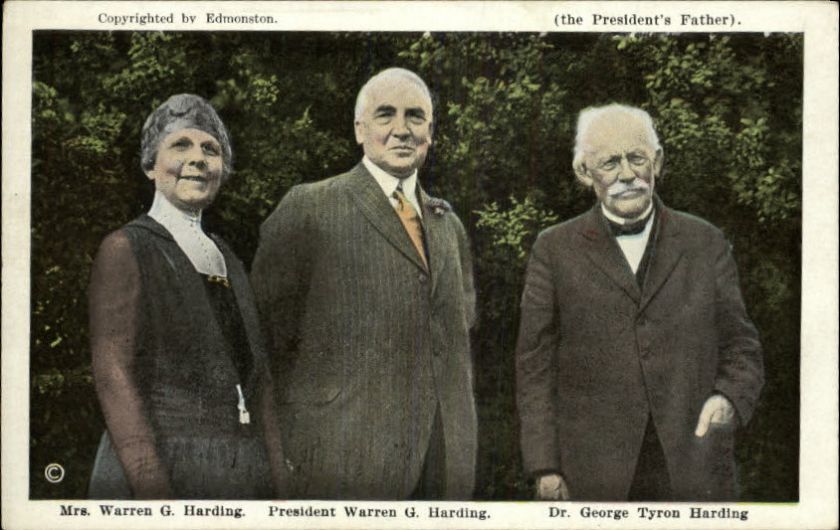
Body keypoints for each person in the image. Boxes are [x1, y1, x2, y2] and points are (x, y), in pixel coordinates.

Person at [515, 103, 764, 501]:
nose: (627, 175)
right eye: (611, 162)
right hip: (592, 473)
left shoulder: (706, 242)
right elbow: (534, 367)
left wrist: (730, 397)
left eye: (637, 158)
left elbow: (743, 347)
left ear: (658, 162)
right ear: (584, 172)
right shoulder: (553, 249)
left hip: (693, 466)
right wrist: (545, 465)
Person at [250, 67, 477, 500]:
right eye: (384, 115)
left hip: (443, 461)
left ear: (431, 131)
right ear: (359, 129)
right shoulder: (310, 208)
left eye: (415, 116)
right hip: (341, 458)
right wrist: (282, 455)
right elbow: (266, 345)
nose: (401, 130)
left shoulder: (449, 226)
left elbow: (458, 341)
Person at [88, 94, 286, 499]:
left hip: (240, 470)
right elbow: (115, 376)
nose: (198, 158)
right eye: (181, 145)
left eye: (210, 150)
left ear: (222, 169)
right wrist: (155, 494)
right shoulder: (127, 247)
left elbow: (258, 377)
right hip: (163, 468)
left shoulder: (227, 256)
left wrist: (280, 485)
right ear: (150, 165)